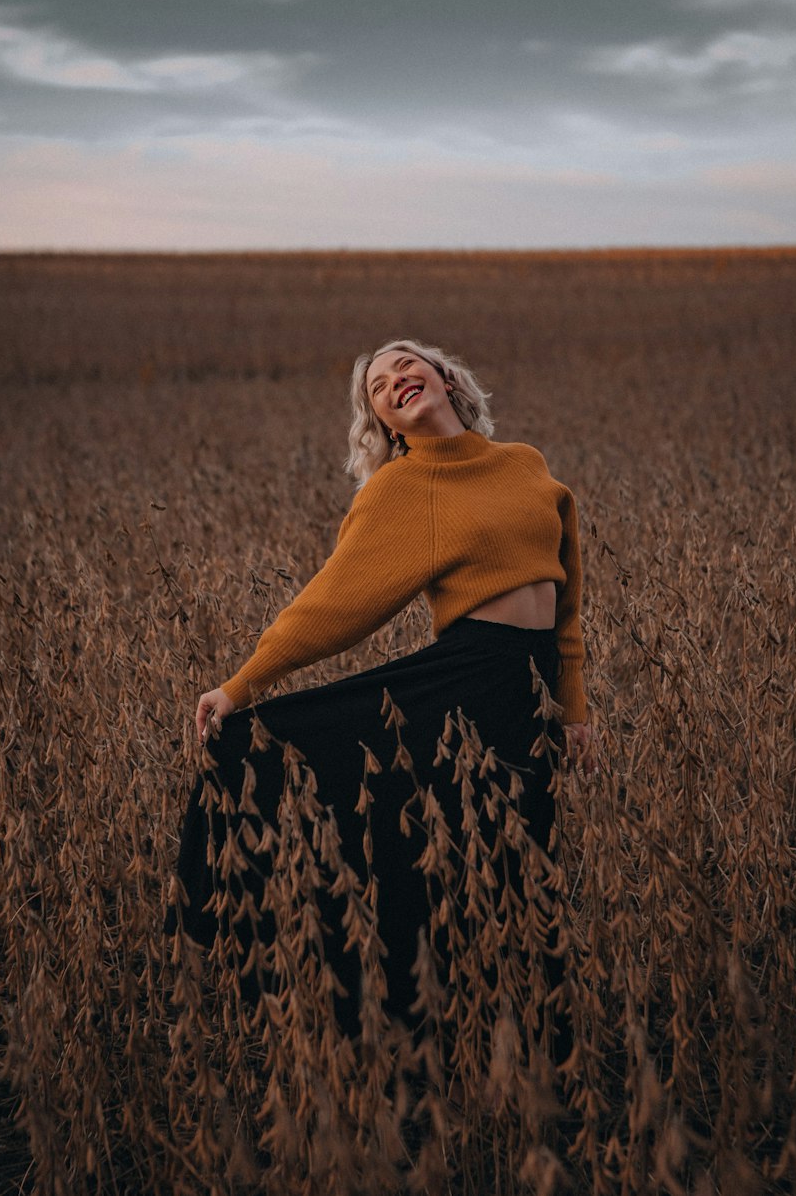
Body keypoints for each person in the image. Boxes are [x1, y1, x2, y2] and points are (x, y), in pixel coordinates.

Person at [166, 339, 590, 1037]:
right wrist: (240, 687)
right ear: (385, 423)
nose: (397, 382)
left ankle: (525, 1032)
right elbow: (330, 605)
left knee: (524, 859)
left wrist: (573, 707)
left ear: (445, 378)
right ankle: (401, 1022)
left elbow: (567, 596)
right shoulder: (399, 488)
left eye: (407, 367)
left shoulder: (525, 464)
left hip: (533, 688)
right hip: (464, 688)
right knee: (438, 856)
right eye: (380, 386)